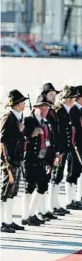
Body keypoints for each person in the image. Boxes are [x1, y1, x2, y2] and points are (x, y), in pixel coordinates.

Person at [21, 95, 56, 226]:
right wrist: (31, 133)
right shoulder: (28, 120)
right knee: (29, 187)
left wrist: (50, 161)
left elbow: (49, 143)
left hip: (42, 159)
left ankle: (32, 213)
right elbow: (21, 136)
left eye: (46, 108)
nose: (44, 111)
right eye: (41, 108)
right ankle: (25, 216)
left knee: (42, 186)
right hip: (30, 159)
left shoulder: (46, 123)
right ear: (35, 108)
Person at [0, 90, 28, 233]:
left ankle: (9, 220)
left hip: (17, 159)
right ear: (16, 104)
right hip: (9, 160)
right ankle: (2, 221)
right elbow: (2, 140)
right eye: (22, 102)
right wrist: (6, 161)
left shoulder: (17, 117)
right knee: (5, 191)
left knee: (12, 191)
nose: (24, 104)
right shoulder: (8, 117)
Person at [54, 86, 82, 212]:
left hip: (66, 148)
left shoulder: (67, 111)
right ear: (65, 99)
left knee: (59, 176)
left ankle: (56, 204)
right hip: (60, 149)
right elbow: (58, 133)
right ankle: (53, 205)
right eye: (71, 98)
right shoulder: (60, 111)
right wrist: (59, 151)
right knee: (55, 177)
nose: (74, 100)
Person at [41, 83, 65, 216]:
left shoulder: (53, 110)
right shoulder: (45, 111)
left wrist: (59, 150)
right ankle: (44, 208)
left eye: (55, 95)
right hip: (47, 150)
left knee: (54, 177)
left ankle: (51, 205)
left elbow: (57, 132)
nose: (54, 97)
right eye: (51, 94)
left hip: (54, 148)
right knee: (45, 180)